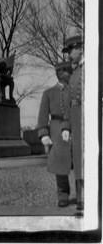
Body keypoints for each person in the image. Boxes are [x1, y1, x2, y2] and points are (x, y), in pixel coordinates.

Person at [37, 62, 72, 207]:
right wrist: (43, 133)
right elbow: (43, 115)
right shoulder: (49, 93)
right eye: (68, 72)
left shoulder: (76, 91)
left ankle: (83, 196)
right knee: (60, 163)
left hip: (75, 126)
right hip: (56, 130)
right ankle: (63, 195)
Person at [61, 35, 84, 211]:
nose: (68, 55)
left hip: (88, 116)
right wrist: (66, 126)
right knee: (78, 157)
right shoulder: (73, 73)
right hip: (76, 118)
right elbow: (68, 104)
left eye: (70, 51)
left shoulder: (92, 68)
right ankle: (81, 198)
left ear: (80, 49)